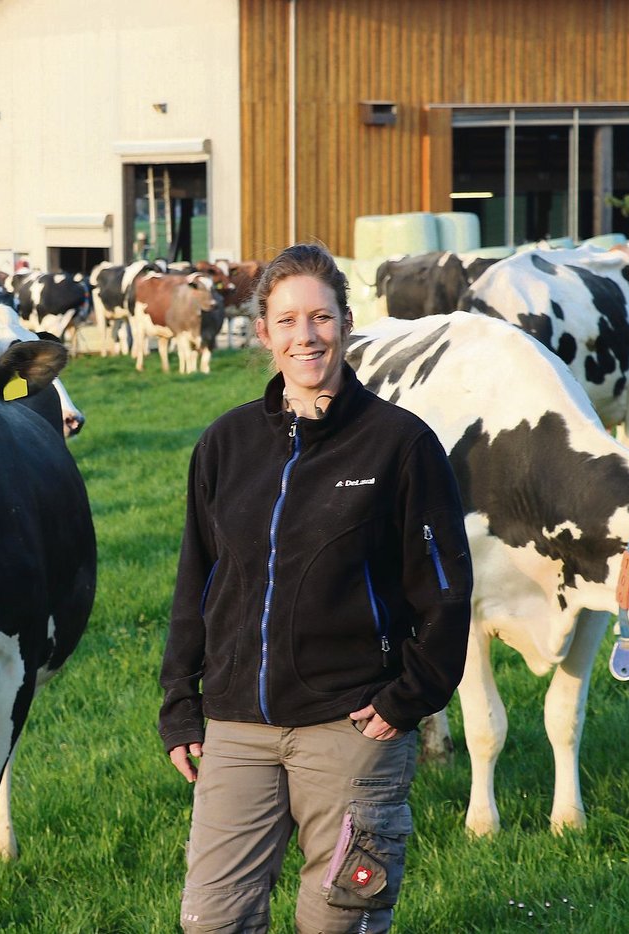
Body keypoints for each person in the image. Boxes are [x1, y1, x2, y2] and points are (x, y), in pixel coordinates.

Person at [158, 243, 473, 933]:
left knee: (338, 924)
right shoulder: (226, 444)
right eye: (289, 320)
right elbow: (196, 581)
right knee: (213, 921)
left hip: (350, 725)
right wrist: (182, 702)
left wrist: (409, 698)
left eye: (321, 318)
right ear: (264, 332)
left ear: (346, 324)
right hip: (238, 724)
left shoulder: (399, 444)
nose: (307, 336)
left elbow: (446, 592)